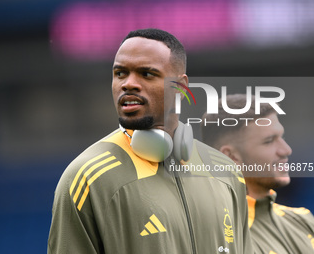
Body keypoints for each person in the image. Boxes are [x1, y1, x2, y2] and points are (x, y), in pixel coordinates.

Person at [48, 29, 253, 254]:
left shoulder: (227, 172)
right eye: (120, 73)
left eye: (146, 74)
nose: (128, 84)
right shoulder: (86, 178)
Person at [201, 94, 314, 253]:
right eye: (269, 141)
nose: (286, 150)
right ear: (230, 157)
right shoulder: (210, 233)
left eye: (281, 137)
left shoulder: (302, 219)